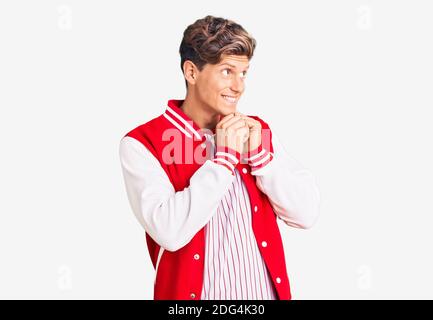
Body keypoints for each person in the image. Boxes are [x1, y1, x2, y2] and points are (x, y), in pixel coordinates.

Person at [119, 15, 320, 300]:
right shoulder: (142, 143)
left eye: (244, 73)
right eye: (227, 71)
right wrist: (224, 160)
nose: (239, 86)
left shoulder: (256, 131)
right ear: (191, 72)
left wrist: (261, 158)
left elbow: (306, 215)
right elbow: (169, 231)